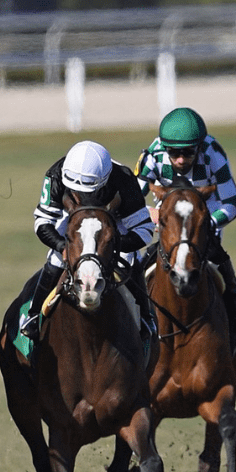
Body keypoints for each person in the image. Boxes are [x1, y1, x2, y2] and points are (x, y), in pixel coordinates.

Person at [134, 106, 236, 352]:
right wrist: (151, 215)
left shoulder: (214, 154)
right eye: (174, 153)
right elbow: (132, 201)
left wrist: (203, 223)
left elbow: (230, 204)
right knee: (140, 264)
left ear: (199, 147)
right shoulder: (153, 155)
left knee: (219, 259)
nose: (180, 159)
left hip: (203, 217)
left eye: (187, 153)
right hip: (168, 222)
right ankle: (136, 321)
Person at [18, 139, 155, 342]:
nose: (82, 196)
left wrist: (114, 246)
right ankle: (33, 314)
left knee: (130, 257)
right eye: (76, 191)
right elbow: (42, 222)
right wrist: (62, 246)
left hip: (115, 221)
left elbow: (144, 229)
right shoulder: (56, 174)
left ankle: (145, 316)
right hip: (74, 220)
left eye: (90, 192)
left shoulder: (124, 178)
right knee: (56, 258)